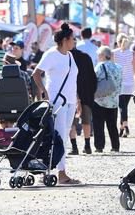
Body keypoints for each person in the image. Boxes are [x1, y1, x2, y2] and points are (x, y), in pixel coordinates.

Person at [32, 23, 81, 185]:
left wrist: (78, 99)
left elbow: (73, 79)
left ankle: (56, 170)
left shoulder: (69, 55)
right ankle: (60, 172)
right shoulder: (51, 54)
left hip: (70, 101)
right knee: (58, 137)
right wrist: (43, 93)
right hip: (57, 101)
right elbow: (36, 74)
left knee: (64, 135)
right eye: (73, 39)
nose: (74, 42)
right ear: (65, 40)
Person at [93, 46, 123, 152]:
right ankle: (115, 146)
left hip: (100, 100)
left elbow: (93, 80)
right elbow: (119, 84)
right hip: (114, 100)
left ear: (102, 55)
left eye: (98, 55)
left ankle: (99, 146)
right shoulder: (119, 67)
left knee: (98, 124)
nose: (97, 57)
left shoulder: (100, 66)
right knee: (112, 124)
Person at [68, 46, 97, 155]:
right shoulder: (86, 57)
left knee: (72, 123)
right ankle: (87, 145)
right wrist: (91, 93)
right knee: (86, 121)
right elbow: (93, 77)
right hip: (87, 93)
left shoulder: (67, 57)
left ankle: (74, 147)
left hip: (71, 93)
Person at [113, 33, 135, 137]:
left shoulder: (113, 53)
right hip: (129, 84)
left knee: (121, 106)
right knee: (124, 106)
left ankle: (125, 125)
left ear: (118, 42)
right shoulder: (132, 53)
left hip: (118, 83)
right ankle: (122, 128)